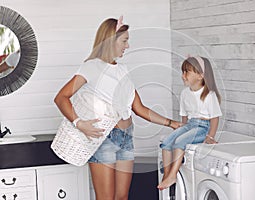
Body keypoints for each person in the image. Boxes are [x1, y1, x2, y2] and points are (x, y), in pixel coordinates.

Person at [54, 16, 181, 200]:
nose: (127, 46)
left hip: (126, 138)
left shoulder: (123, 70)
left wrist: (172, 123)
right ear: (110, 41)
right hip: (105, 139)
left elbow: (140, 108)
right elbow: (61, 97)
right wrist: (79, 123)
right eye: (124, 40)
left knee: (122, 197)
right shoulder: (91, 67)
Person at [157, 56, 222, 190]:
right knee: (167, 142)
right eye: (183, 71)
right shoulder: (185, 93)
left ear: (200, 76)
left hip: (203, 127)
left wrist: (210, 136)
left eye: (187, 72)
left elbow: (215, 118)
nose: (183, 75)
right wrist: (180, 130)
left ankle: (173, 175)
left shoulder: (209, 95)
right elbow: (184, 116)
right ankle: (167, 174)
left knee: (180, 142)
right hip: (190, 125)